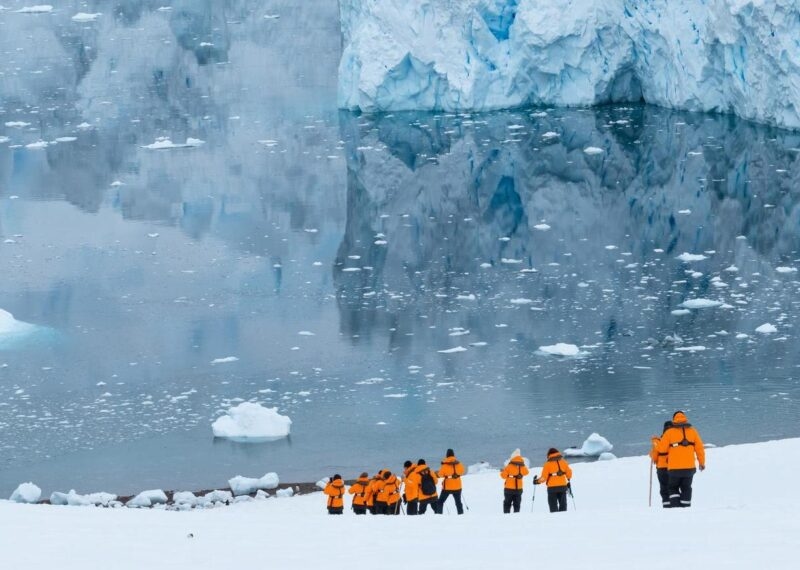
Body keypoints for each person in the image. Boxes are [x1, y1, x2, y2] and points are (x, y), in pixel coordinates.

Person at [656, 410, 705, 508]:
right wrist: (701, 462)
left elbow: (661, 449)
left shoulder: (669, 432)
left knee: (672, 488)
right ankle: (686, 508)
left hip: (674, 469)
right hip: (690, 468)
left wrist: (657, 443)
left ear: (674, 420)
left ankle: (676, 508)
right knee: (686, 487)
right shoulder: (693, 431)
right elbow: (700, 449)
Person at [534, 448, 573, 512]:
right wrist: (568, 478)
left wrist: (537, 481)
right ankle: (563, 519)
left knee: (553, 506)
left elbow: (544, 478)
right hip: (563, 487)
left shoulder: (547, 464)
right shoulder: (564, 462)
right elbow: (569, 474)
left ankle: (554, 520)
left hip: (552, 488)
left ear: (549, 455)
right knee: (563, 506)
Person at [650, 421, 672, 508]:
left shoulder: (659, 441)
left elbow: (654, 456)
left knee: (664, 487)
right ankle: (675, 504)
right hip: (673, 467)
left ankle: (666, 504)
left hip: (661, 468)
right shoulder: (675, 440)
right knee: (674, 487)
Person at [437, 449, 465, 515]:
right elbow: (462, 471)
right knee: (458, 502)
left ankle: (439, 515)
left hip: (447, 487)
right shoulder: (459, 464)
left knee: (440, 502)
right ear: (453, 455)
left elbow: (440, 474)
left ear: (447, 455)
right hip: (457, 486)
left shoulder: (444, 465)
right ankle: (461, 515)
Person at [500, 449, 529, 513]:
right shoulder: (522, 466)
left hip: (508, 488)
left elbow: (503, 476)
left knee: (507, 504)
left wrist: (503, 471)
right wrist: (522, 466)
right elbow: (526, 472)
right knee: (517, 504)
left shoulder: (509, 466)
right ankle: (516, 517)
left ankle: (506, 517)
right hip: (518, 489)